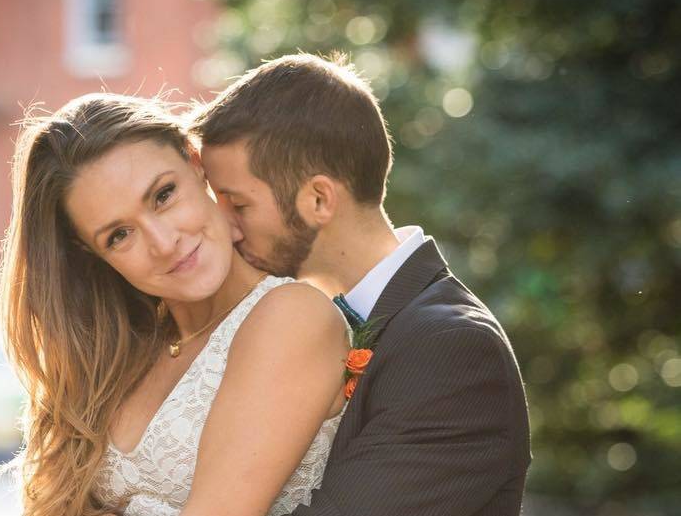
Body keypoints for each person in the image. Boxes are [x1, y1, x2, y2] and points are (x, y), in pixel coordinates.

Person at [189, 52, 531, 516]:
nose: (226, 228)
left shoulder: (453, 349)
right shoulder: (302, 324)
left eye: (238, 205)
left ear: (318, 198)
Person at [0, 93, 350, 516]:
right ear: (91, 253)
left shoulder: (291, 316)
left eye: (163, 195)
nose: (164, 244)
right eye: (119, 235)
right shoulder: (119, 355)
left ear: (195, 162)